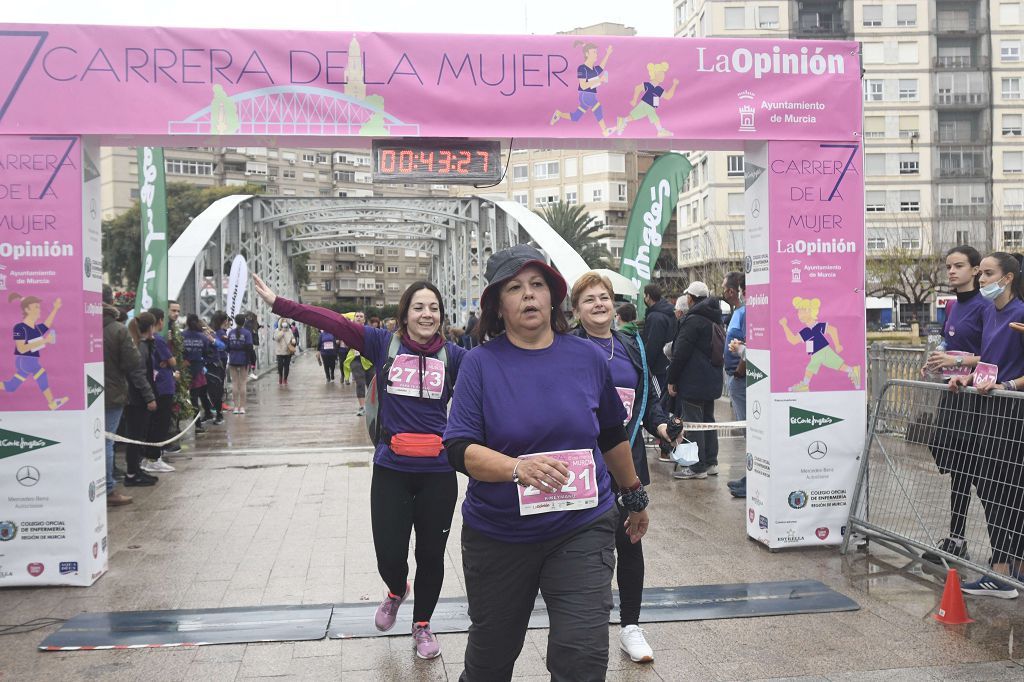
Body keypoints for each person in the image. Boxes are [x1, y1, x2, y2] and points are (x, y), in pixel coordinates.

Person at [442, 244, 650, 681]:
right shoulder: (480, 365)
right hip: (499, 533)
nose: (529, 295)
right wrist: (518, 468)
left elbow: (611, 433)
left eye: (537, 285)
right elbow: (459, 447)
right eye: (515, 288)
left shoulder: (588, 358)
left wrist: (633, 494)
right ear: (499, 306)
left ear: (553, 297)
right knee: (491, 659)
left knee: (582, 655)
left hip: (580, 526)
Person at [253, 273, 467, 660]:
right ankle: (395, 589)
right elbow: (332, 322)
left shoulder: (456, 356)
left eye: (433, 308)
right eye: (419, 307)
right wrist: (280, 304)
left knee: (432, 554)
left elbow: (499, 370)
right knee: (389, 553)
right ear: (404, 314)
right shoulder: (382, 343)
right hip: (391, 469)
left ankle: (422, 625)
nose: (427, 314)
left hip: (437, 472)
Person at [570, 271, 677, 664]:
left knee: (630, 543)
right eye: (589, 300)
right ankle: (586, 625)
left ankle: (630, 626)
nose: (599, 304)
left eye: (604, 297)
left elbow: (647, 399)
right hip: (584, 467)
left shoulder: (631, 346)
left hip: (627, 459)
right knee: (586, 550)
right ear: (576, 310)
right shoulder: (567, 348)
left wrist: (663, 425)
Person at [949, 251, 1024, 598]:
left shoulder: (1019, 314)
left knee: (1005, 490)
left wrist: (1008, 386)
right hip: (988, 411)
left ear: (1008, 278)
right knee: (990, 487)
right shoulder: (992, 314)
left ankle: (1002, 570)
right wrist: (967, 378)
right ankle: (1009, 569)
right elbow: (990, 364)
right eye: (981, 275)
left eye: (989, 274)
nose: (982, 280)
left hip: (1011, 416)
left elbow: (1009, 372)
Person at [918, 246, 987, 564]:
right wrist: (935, 361)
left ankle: (1003, 551)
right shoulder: (951, 306)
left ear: (975, 270)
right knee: (955, 466)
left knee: (982, 475)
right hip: (952, 392)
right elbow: (947, 340)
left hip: (978, 398)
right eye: (948, 266)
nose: (951, 272)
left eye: (959, 266)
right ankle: (957, 538)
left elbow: (991, 353)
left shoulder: (986, 306)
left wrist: (956, 360)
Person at [667, 281, 724, 480]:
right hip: (712, 380)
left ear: (690, 298)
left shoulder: (692, 321)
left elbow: (680, 353)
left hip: (694, 381)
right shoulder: (715, 319)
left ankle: (696, 466)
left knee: (693, 422)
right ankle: (711, 463)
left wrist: (672, 379)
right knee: (708, 421)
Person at [102, 286, 152, 506]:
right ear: (111, 301)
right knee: (107, 442)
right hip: (111, 392)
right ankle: (109, 489)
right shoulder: (117, 329)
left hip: (80, 395)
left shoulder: (81, 324)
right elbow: (133, 363)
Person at [2, 292, 68, 410]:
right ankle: (52, 403)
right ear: (27, 309)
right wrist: (44, 341)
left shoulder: (36, 328)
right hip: (25, 360)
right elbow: (21, 348)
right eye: (36, 307)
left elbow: (47, 324)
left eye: (39, 307)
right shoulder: (20, 327)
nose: (39, 310)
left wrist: (55, 308)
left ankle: (52, 403)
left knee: (11, 386)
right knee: (41, 375)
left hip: (29, 360)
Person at [124, 312, 160, 487]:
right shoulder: (141, 347)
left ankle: (136, 469)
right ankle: (132, 472)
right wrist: (149, 397)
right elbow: (139, 374)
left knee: (138, 435)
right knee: (135, 436)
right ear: (150, 327)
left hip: (137, 398)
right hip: (137, 399)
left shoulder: (142, 345)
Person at [550, 41, 616, 137]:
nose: (596, 54)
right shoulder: (582, 68)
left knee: (576, 117)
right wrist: (599, 80)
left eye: (596, 52)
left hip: (590, 94)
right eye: (593, 52)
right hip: (586, 94)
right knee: (597, 107)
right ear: (587, 54)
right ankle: (605, 130)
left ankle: (559, 114)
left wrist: (608, 54)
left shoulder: (593, 69)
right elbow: (584, 85)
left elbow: (601, 67)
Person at [721, 272, 748, 498]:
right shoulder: (737, 313)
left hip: (741, 378)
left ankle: (753, 479)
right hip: (735, 376)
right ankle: (751, 475)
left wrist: (740, 371)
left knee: (751, 429)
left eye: (725, 287)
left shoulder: (745, 313)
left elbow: (750, 345)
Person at [142, 308, 177, 474]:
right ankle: (155, 458)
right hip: (163, 385)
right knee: (161, 423)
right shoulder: (158, 339)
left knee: (152, 424)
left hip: (154, 384)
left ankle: (148, 457)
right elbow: (171, 361)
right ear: (160, 321)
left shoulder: (144, 339)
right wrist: (169, 362)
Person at [615, 61, 679, 137]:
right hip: (647, 104)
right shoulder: (649, 85)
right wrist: (634, 99)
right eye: (661, 74)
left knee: (634, 116)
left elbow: (668, 96)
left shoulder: (659, 89)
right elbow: (638, 88)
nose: (663, 76)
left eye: (663, 74)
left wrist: (674, 85)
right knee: (653, 114)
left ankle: (623, 120)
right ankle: (660, 130)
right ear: (655, 74)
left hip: (645, 105)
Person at [639, 284, 676, 396]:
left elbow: (653, 344)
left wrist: (646, 364)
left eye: (644, 295)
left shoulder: (655, 317)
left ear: (648, 296)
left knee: (658, 400)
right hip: (667, 363)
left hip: (657, 368)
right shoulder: (668, 313)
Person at [182, 313, 216, 429]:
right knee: (199, 395)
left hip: (185, 369)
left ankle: (196, 422)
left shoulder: (182, 335)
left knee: (191, 397)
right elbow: (208, 352)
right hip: (199, 370)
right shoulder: (202, 337)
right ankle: (199, 423)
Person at [343, 311, 374, 416]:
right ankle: (361, 407)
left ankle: (372, 406)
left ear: (364, 320)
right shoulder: (349, 330)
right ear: (354, 318)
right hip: (355, 359)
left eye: (361, 317)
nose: (359, 318)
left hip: (369, 359)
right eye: (357, 316)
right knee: (360, 382)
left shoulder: (369, 330)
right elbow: (345, 344)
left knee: (371, 383)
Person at [227, 314, 254, 415]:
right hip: (244, 359)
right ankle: (242, 407)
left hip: (233, 358)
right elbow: (249, 347)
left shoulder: (231, 332)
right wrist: (250, 361)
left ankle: (235, 407)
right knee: (243, 383)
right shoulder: (247, 333)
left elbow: (227, 347)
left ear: (235, 322)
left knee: (234, 383)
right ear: (244, 322)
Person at [205, 312, 229, 422]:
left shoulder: (213, 331)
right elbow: (223, 346)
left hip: (214, 362)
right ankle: (217, 407)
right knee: (217, 385)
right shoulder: (217, 333)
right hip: (218, 361)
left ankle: (213, 407)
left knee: (211, 387)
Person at [273, 317, 295, 385]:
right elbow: (276, 338)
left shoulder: (289, 331)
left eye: (285, 321)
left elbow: (292, 338)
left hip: (288, 351)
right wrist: (282, 331)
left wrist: (294, 341)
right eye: (283, 322)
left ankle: (285, 379)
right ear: (280, 323)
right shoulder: (277, 330)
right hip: (279, 351)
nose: (284, 323)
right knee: (280, 366)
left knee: (287, 366)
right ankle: (280, 376)